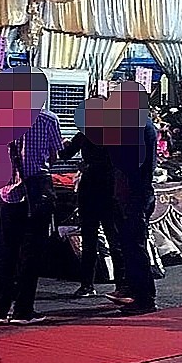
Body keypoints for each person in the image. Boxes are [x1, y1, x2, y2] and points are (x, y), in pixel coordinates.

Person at [0, 100, 63, 326]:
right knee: (31, 253)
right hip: (36, 191)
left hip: (8, 192)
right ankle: (23, 310)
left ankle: (0, 309)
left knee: (7, 250)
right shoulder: (48, 119)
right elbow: (55, 156)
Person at [61, 129, 124, 297]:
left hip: (90, 190)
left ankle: (87, 285)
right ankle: (121, 284)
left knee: (90, 239)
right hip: (109, 189)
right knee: (113, 239)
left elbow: (65, 154)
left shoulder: (85, 133)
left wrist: (64, 143)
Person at [108, 112, 159, 316]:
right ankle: (136, 292)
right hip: (134, 193)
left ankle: (144, 298)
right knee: (131, 247)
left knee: (134, 247)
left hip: (134, 194)